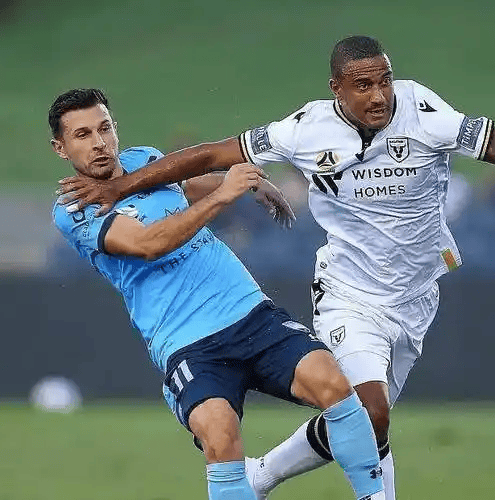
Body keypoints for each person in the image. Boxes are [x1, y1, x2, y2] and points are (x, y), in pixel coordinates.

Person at [57, 36, 495, 499]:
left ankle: (263, 475)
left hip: (409, 294)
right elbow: (166, 220)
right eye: (363, 85)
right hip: (340, 294)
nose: (379, 95)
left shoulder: (424, 113)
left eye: (384, 81)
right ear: (336, 89)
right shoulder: (304, 129)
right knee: (357, 412)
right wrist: (188, 191)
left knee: (361, 414)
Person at [48, 88, 385, 500]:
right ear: (60, 148)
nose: (99, 143)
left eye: (104, 128)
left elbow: (185, 187)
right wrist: (225, 194)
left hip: (248, 312)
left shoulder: (145, 160)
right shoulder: (73, 209)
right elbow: (149, 243)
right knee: (220, 435)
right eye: (82, 135)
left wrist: (247, 185)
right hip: (186, 341)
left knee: (333, 384)